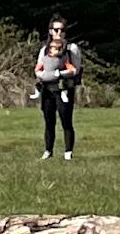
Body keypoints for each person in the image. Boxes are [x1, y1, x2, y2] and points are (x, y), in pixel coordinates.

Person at [34, 19, 84, 160]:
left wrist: (61, 74)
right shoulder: (44, 49)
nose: (59, 33)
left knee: (66, 120)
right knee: (49, 121)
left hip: (64, 89)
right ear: (50, 31)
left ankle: (68, 151)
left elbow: (76, 69)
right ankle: (48, 150)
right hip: (47, 89)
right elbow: (39, 67)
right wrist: (42, 76)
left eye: (62, 30)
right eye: (56, 30)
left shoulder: (71, 48)